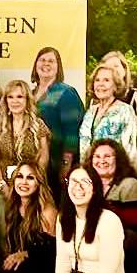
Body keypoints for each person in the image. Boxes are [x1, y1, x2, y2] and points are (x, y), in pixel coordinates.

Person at [0, 163, 57, 273]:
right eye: (20, 176)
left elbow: (52, 249)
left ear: (39, 183)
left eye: (30, 178)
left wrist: (25, 254)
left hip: (43, 270)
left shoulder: (47, 210)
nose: (24, 182)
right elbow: (11, 247)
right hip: (20, 269)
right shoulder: (12, 208)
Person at [0, 80, 51, 204]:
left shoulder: (38, 125)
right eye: (10, 97)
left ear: (27, 100)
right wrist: (2, 185)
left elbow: (44, 157)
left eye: (19, 97)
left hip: (31, 188)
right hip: (3, 189)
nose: (15, 101)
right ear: (6, 101)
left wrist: (30, 182)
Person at [31, 47, 83, 192]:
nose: (46, 64)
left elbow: (72, 132)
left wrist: (66, 163)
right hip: (33, 165)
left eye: (51, 61)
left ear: (58, 67)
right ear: (35, 65)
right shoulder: (30, 94)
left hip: (55, 164)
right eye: (42, 60)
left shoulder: (66, 93)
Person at [79, 64, 137, 168]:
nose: (100, 84)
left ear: (116, 86)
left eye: (106, 80)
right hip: (90, 172)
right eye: (97, 80)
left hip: (115, 173)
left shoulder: (125, 110)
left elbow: (131, 151)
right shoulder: (90, 112)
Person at [101, 51, 137, 120]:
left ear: (124, 69)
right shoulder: (97, 97)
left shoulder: (134, 95)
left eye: (116, 66)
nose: (113, 70)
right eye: (108, 67)